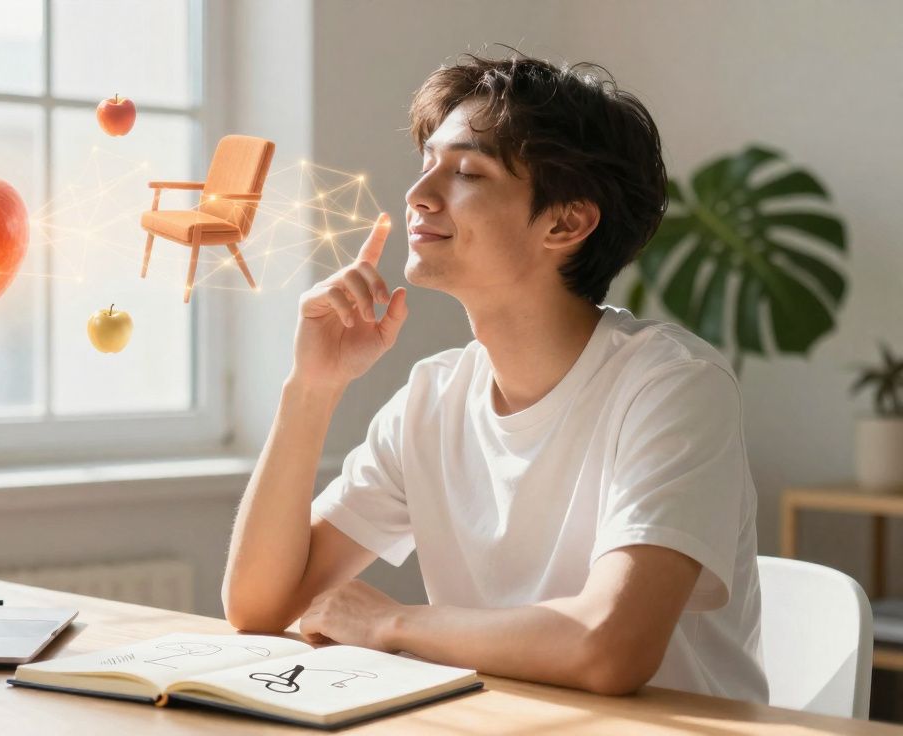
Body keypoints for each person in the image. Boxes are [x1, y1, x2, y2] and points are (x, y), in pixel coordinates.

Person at [221, 51, 767, 702]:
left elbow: (610, 648)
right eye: (427, 166)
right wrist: (311, 387)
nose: (418, 196)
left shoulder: (673, 386)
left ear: (566, 222)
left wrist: (392, 624)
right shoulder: (433, 397)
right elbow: (259, 605)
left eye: (466, 172)